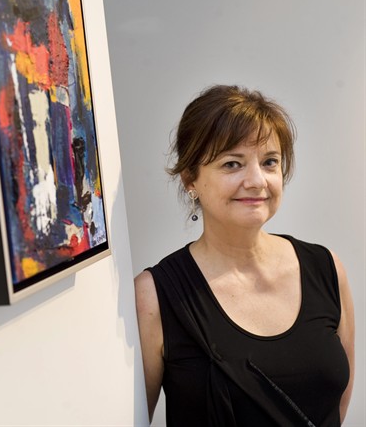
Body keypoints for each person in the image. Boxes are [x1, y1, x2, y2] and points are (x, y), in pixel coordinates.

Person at [135, 85, 355, 426]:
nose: (256, 181)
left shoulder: (325, 268)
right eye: (232, 163)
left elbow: (336, 406)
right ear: (190, 178)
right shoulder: (154, 295)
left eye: (269, 162)